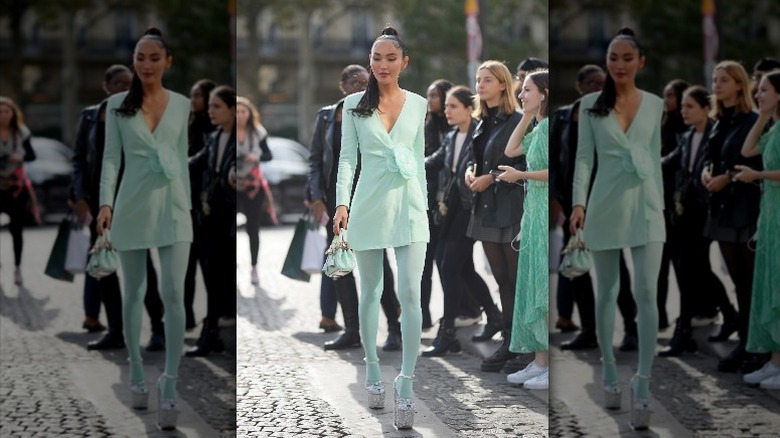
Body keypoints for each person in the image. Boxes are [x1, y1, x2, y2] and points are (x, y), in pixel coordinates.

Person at [96, 27, 191, 430]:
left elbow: (183, 159)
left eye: (154, 57)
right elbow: (110, 160)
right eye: (140, 57)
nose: (146, 64)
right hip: (131, 207)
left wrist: (189, 207)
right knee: (133, 291)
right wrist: (105, 204)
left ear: (167, 62)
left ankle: (169, 383)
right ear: (133, 62)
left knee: (172, 292)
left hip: (174, 208)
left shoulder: (183, 105)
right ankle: (135, 369)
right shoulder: (117, 105)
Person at [332, 26, 427, 430]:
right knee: (371, 291)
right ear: (369, 62)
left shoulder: (420, 105)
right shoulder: (353, 104)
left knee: (409, 292)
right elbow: (347, 161)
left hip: (410, 208)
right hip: (367, 207)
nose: (382, 64)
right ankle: (372, 367)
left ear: (404, 62)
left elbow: (419, 161)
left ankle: (406, 382)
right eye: (376, 57)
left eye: (390, 58)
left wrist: (426, 208)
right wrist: (341, 204)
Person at [569, 28, 663, 430]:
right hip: (604, 207)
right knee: (606, 292)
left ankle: (642, 383)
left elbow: (656, 159)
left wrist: (662, 207)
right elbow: (583, 160)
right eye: (613, 57)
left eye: (627, 57)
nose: (619, 64)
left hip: (647, 208)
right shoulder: (591, 104)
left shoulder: (656, 105)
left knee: (645, 292)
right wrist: (578, 204)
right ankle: (608, 369)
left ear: (640, 62)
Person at [72, 65, 168, 352]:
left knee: (142, 268)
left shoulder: (144, 114)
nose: (125, 88)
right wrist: (79, 196)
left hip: (133, 201)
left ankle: (158, 330)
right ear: (106, 86)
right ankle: (115, 331)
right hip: (100, 203)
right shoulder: (91, 116)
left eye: (130, 82)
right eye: (119, 83)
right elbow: (78, 159)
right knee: (105, 268)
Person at [308, 64, 404, 351]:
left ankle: (395, 330)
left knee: (378, 266)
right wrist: (315, 196)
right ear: (342, 86)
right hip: (336, 202)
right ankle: (352, 330)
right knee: (340, 265)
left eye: (365, 81)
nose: (360, 86)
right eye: (354, 81)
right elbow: (315, 159)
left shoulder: (381, 112)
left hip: (370, 199)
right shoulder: (327, 117)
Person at [421, 86, 498, 357]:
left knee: (448, 265)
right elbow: (436, 161)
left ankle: (449, 332)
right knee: (461, 269)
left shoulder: (479, 133)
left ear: (469, 108)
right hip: (452, 208)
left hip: (470, 208)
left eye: (453, 106)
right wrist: (408, 163)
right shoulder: (453, 135)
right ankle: (494, 315)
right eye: (447, 107)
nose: (447, 111)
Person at [658, 85, 734, 357]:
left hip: (703, 214)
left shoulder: (714, 133)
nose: (684, 111)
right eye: (683, 107)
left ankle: (685, 330)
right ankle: (728, 315)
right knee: (694, 269)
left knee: (690, 269)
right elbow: (669, 161)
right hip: (683, 213)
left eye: (690, 106)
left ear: (705, 108)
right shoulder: (688, 135)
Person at [700, 60, 765, 374]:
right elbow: (711, 157)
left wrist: (727, 176)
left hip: (745, 207)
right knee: (738, 280)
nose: (717, 85)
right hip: (721, 206)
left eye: (723, 80)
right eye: (715, 80)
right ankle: (745, 341)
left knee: (748, 281)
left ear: (740, 84)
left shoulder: (752, 119)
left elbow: (753, 160)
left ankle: (754, 345)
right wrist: (706, 173)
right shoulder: (718, 121)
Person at [463, 60, 524, 373]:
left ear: (503, 84)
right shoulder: (481, 121)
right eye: (478, 79)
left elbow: (524, 164)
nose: (480, 85)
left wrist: (492, 177)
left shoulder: (517, 119)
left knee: (515, 279)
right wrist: (470, 174)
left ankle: (519, 345)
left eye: (487, 79)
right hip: (485, 207)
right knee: (501, 279)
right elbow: (475, 160)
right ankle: (509, 341)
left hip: (509, 207)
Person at [496, 69, 550, 390]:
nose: (521, 95)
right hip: (533, 214)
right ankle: (540, 361)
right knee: (532, 286)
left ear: (544, 92)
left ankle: (548, 365)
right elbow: (511, 150)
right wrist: (527, 115)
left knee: (542, 289)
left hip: (544, 213)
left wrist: (522, 177)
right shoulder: (540, 126)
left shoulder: (552, 128)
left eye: (527, 90)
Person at [735, 70, 780, 390]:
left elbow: (758, 166)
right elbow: (749, 150)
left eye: (764, 90)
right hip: (771, 215)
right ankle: (775, 360)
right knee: (768, 285)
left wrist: (758, 177)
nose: (758, 94)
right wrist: (763, 115)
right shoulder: (774, 126)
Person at [186, 85, 237, 357]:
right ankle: (212, 332)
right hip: (211, 218)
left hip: (231, 221)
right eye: (210, 107)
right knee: (211, 274)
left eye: (217, 106)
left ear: (231, 109)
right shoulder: (215, 136)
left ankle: (216, 332)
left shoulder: (238, 138)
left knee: (224, 277)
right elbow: (195, 163)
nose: (211, 111)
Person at [184, 78, 217, 331]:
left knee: (208, 265)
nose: (193, 100)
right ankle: (186, 316)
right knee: (186, 265)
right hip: (187, 201)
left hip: (208, 204)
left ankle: (213, 319)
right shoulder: (189, 125)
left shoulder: (217, 130)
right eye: (192, 95)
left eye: (198, 95)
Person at [421, 78, 453, 331]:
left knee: (449, 263)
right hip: (427, 203)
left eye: (434, 95)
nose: (429, 100)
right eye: (428, 95)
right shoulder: (425, 127)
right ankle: (422, 316)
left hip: (451, 204)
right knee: (424, 264)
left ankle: (457, 313)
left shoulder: (457, 128)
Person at [657, 78, 690, 330]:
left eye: (671, 95)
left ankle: (690, 316)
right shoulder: (663, 125)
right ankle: (660, 316)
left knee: (682, 265)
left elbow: (676, 161)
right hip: (660, 201)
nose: (666, 100)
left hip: (680, 204)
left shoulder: (687, 129)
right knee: (659, 265)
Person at [0, 96, 38, 286]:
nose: (3, 115)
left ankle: (17, 267)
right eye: (0, 112)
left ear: (13, 113)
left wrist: (18, 156)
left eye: (7, 111)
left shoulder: (21, 132)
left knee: (17, 229)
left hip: (15, 187)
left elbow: (32, 155)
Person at [235, 96, 271, 286]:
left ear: (249, 114)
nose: (240, 115)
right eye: (236, 112)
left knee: (253, 229)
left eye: (243, 111)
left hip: (252, 186)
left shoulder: (257, 132)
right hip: (232, 185)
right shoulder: (225, 131)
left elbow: (268, 155)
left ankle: (254, 267)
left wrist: (255, 156)